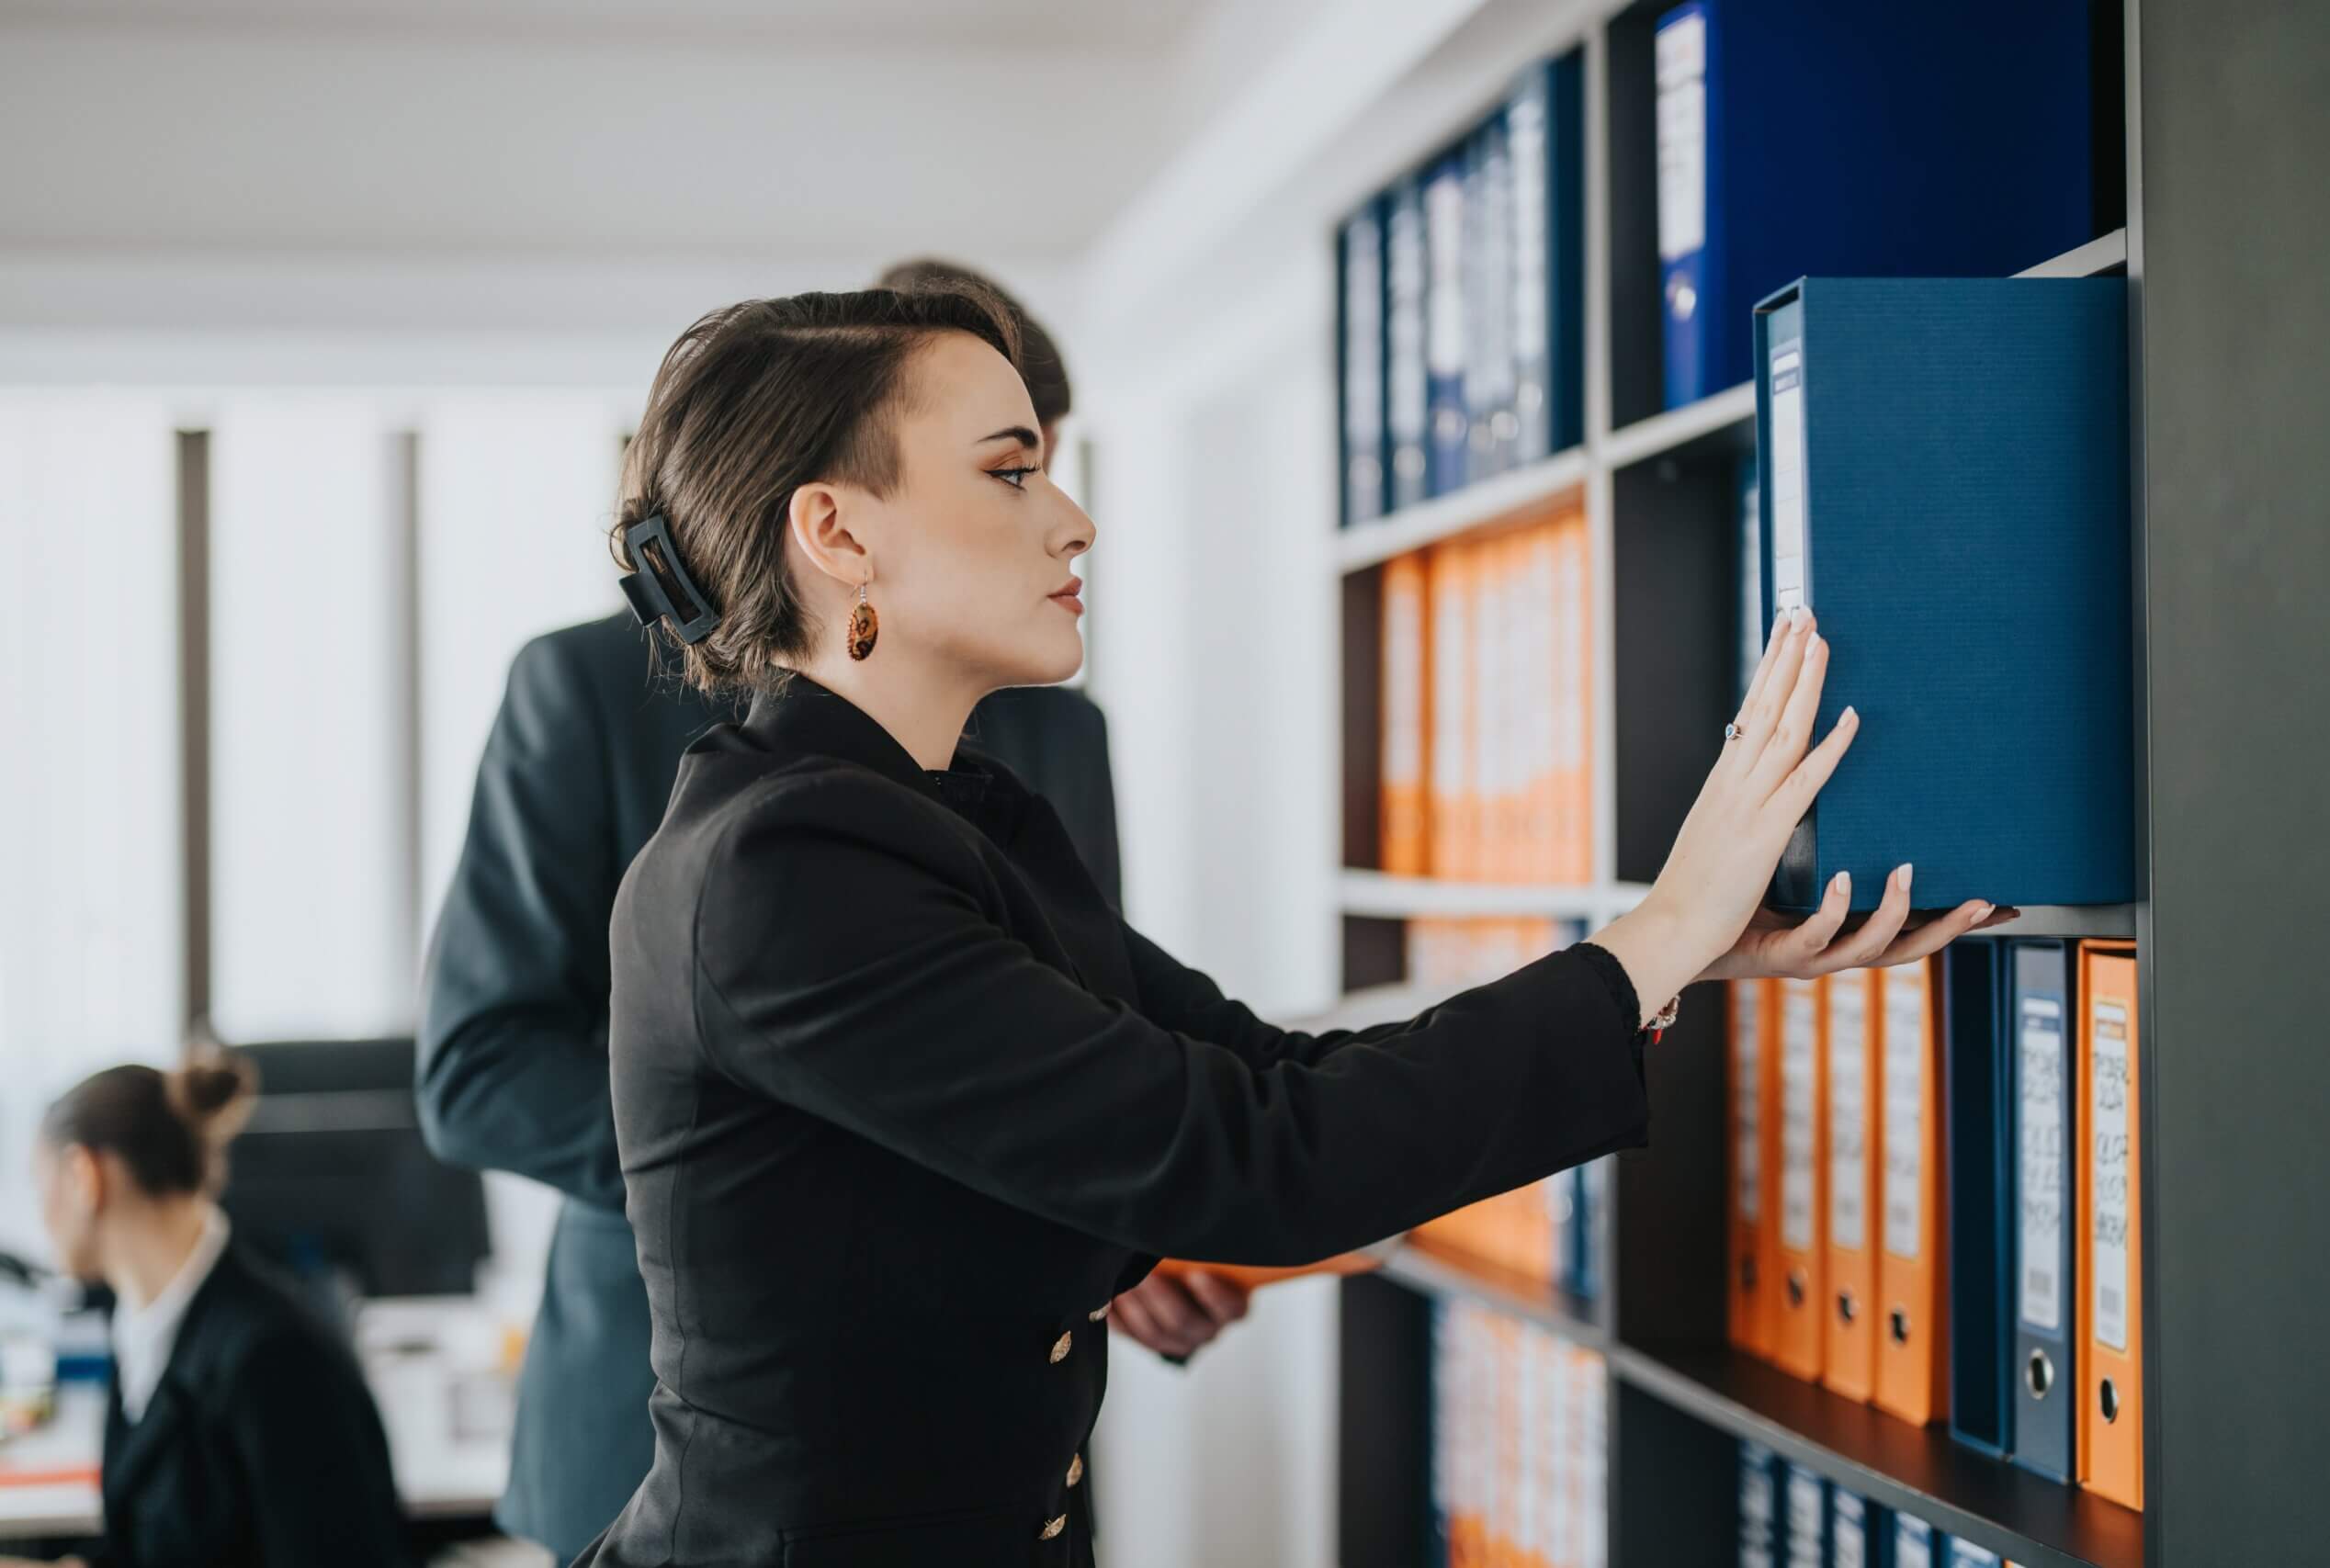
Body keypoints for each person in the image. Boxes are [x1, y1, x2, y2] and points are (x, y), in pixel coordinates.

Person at [571, 285, 1998, 1568]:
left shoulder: (954, 818)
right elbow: (1255, 1161)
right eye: (1011, 471)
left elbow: (1271, 1078)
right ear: (838, 532)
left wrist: (1673, 948)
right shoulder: (783, 866)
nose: (1072, 518)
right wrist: (1660, 927)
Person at [414, 263, 1237, 1565]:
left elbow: (1087, 1046)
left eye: (1040, 462)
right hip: (669, 1424)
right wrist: (823, 1166)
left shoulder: (1062, 729)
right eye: (1003, 471)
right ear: (849, 507)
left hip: (988, 1451)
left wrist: (1144, 1231)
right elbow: (478, 1066)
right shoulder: (581, 691)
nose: (1052, 522)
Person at [1, 1057, 410, 1568]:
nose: (41, 1215)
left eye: (41, 1187)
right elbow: (164, 1541)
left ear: (85, 1177)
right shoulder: (142, 1327)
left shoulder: (274, 1358)